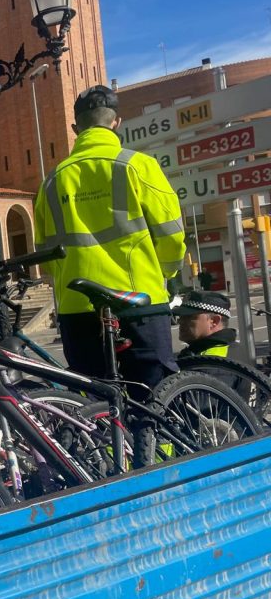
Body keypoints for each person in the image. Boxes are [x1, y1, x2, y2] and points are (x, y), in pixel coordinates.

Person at [33, 84, 186, 390]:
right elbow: (171, 235)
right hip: (139, 301)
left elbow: (45, 257)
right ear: (117, 122)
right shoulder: (139, 166)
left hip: (77, 309)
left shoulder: (51, 182)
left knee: (93, 401)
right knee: (155, 396)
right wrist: (165, 274)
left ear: (75, 129)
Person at [173, 290, 236, 358]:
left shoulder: (211, 359)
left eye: (188, 317)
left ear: (214, 321)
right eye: (181, 317)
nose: (180, 321)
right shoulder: (197, 351)